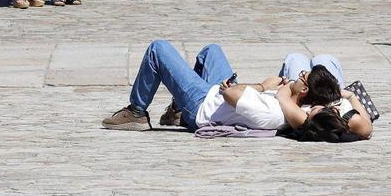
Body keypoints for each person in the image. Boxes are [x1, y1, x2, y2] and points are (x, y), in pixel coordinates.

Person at [101, 41, 371, 142]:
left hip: (203, 103)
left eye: (303, 78)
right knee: (211, 51)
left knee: (158, 49)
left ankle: (136, 112)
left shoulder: (274, 110)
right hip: (218, 95)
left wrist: (265, 86)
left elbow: (230, 94)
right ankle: (175, 111)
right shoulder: (294, 102)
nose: (299, 75)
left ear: (305, 92)